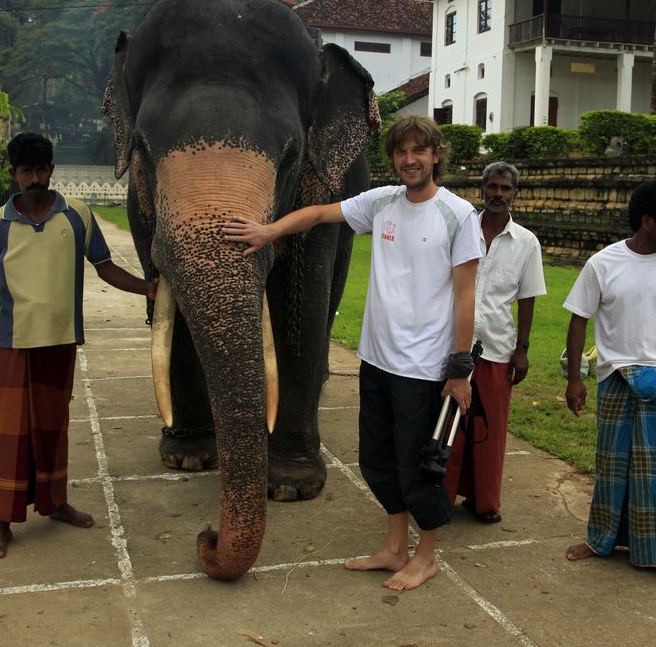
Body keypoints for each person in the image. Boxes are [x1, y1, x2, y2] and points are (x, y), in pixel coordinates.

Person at [222, 116, 481, 590]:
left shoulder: (458, 215)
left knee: (420, 464)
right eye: (401, 152)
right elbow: (320, 213)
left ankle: (425, 556)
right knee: (378, 460)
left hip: (424, 368)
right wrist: (269, 232)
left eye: (419, 151)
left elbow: (466, 296)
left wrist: (460, 370)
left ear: (436, 155)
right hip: (378, 359)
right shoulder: (381, 203)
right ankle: (393, 547)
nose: (409, 160)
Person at [0, 132, 157, 559]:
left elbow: (104, 267)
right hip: (15, 342)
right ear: (13, 174)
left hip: (60, 338)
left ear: (52, 171)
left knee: (53, 429)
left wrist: (146, 288)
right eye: (25, 171)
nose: (34, 178)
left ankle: (55, 503)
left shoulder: (77, 216)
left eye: (40, 170)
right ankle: (3, 521)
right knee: (12, 436)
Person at [562, 180, 656, 585]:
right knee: (612, 466)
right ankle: (602, 540)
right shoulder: (603, 263)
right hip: (615, 377)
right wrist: (576, 378)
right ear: (647, 221)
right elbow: (579, 320)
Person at [445, 162, 546, 524]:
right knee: (448, 426)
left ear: (515, 193)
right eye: (492, 187)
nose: (498, 194)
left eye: (505, 188)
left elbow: (528, 296)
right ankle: (440, 497)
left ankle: (484, 501)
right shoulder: (461, 229)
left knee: (489, 431)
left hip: (497, 348)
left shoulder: (526, 243)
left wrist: (523, 347)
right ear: (482, 189)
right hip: (455, 345)